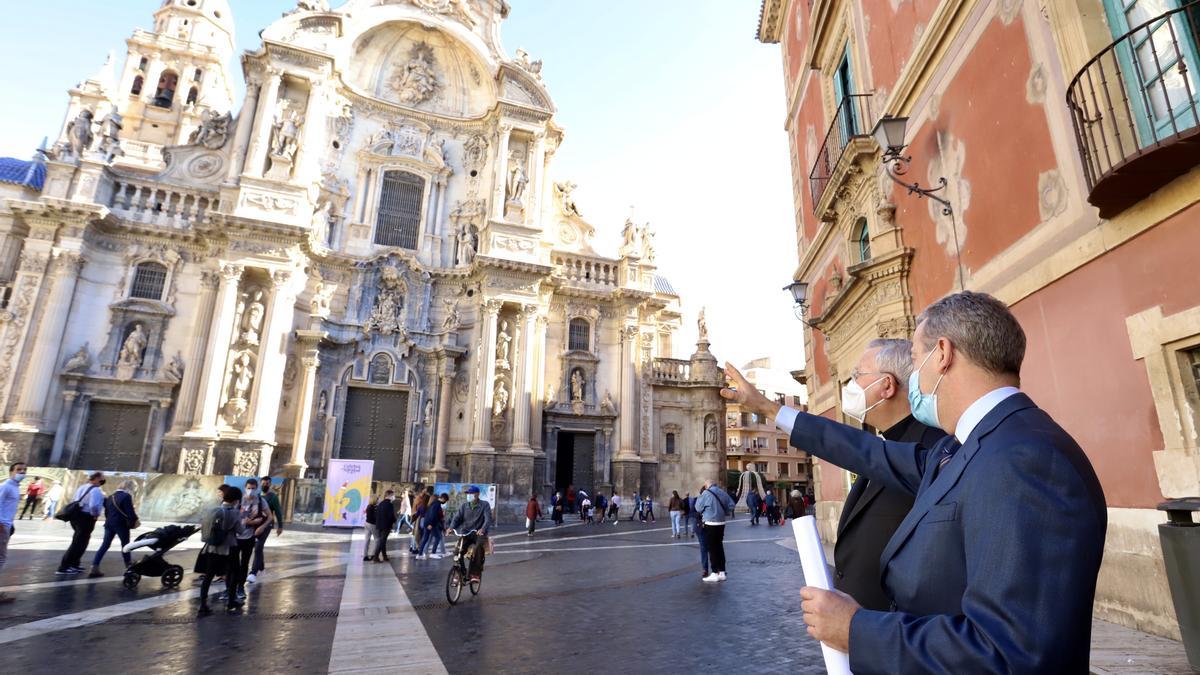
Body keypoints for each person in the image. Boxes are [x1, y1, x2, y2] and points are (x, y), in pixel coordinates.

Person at [723, 291, 1107, 672]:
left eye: (914, 357)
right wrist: (769, 409)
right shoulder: (968, 447)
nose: (912, 377)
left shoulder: (1024, 458)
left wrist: (857, 629)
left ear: (942, 353)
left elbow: (1012, 654)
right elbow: (870, 453)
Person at [822, 337, 946, 610]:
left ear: (887, 385)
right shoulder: (883, 445)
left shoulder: (934, 448)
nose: (850, 386)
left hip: (896, 631)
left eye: (857, 376)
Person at [196, 485, 243, 615]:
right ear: (236, 500)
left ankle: (203, 604)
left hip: (212, 547)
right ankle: (231, 601)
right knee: (234, 573)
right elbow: (240, 531)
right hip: (229, 548)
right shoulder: (235, 513)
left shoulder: (213, 510)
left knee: (209, 576)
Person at [57, 471, 106, 575]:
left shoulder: (82, 487)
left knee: (79, 540)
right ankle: (64, 566)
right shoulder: (96, 490)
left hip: (76, 516)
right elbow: (94, 506)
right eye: (102, 478)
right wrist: (95, 515)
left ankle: (75, 564)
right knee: (79, 542)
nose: (103, 480)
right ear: (97, 479)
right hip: (86, 517)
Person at [89, 480, 139, 577]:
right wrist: (135, 521)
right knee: (125, 546)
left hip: (109, 524)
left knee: (105, 545)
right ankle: (129, 566)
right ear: (130, 488)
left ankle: (94, 566)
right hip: (121, 525)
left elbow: (107, 512)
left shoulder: (111, 496)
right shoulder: (126, 496)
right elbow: (130, 513)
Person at [446, 485, 492, 582]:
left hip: (478, 533)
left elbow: (488, 519)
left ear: (478, 494)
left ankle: (475, 574)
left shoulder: (484, 505)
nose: (470, 495)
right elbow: (457, 518)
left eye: (472, 493)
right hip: (466, 532)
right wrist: (451, 528)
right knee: (457, 551)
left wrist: (483, 529)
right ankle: (460, 572)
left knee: (478, 548)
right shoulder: (464, 506)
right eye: (468, 494)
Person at [693, 478, 734, 582]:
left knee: (712, 548)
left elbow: (698, 508)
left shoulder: (706, 493)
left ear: (707, 485)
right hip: (721, 523)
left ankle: (715, 572)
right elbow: (731, 505)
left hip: (710, 523)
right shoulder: (722, 492)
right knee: (719, 547)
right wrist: (724, 512)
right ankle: (722, 572)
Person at [238, 479, 272, 592]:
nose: (251, 491)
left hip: (252, 534)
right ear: (245, 487)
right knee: (233, 562)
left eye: (253, 488)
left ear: (256, 488)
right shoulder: (239, 500)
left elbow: (270, 517)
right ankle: (231, 588)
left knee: (247, 559)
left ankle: (243, 584)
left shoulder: (261, 501)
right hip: (237, 535)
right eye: (249, 488)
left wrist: (261, 526)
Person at [0, 462, 26, 603]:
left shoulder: (14, 487)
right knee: (1, 558)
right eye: (18, 470)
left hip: (6, 525)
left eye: (24, 470)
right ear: (11, 471)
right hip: (2, 526)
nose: (22, 472)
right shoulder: (6, 486)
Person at [255, 476, 284, 579]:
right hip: (257, 524)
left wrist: (280, 526)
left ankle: (255, 570)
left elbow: (278, 512)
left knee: (259, 546)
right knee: (258, 548)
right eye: (263, 483)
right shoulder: (257, 496)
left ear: (270, 484)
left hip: (267, 524)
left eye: (267, 483)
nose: (265, 485)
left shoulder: (273, 497)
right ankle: (261, 568)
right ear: (260, 484)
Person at [688, 487, 709, 579]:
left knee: (713, 548)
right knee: (704, 547)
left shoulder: (712, 500)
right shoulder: (697, 499)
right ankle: (705, 569)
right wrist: (700, 515)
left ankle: (717, 569)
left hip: (712, 525)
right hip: (701, 526)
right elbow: (692, 513)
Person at [417, 491, 444, 559]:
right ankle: (433, 553)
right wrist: (430, 524)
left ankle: (420, 554)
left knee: (425, 538)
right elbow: (433, 515)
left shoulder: (430, 504)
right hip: (432, 524)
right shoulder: (436, 504)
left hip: (427, 523)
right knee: (438, 537)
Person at [372, 490, 396, 562]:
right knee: (382, 541)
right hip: (386, 525)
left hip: (379, 525)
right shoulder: (389, 504)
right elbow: (390, 516)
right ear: (389, 495)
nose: (393, 497)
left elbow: (376, 515)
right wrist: (394, 521)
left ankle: (384, 556)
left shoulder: (381, 503)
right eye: (393, 495)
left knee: (383, 541)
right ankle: (375, 557)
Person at [362, 495, 379, 562]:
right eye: (377, 499)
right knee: (377, 539)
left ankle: (365, 555)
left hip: (367, 523)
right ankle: (373, 554)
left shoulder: (368, 506)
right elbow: (375, 517)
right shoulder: (374, 508)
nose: (378, 500)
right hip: (372, 524)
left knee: (367, 540)